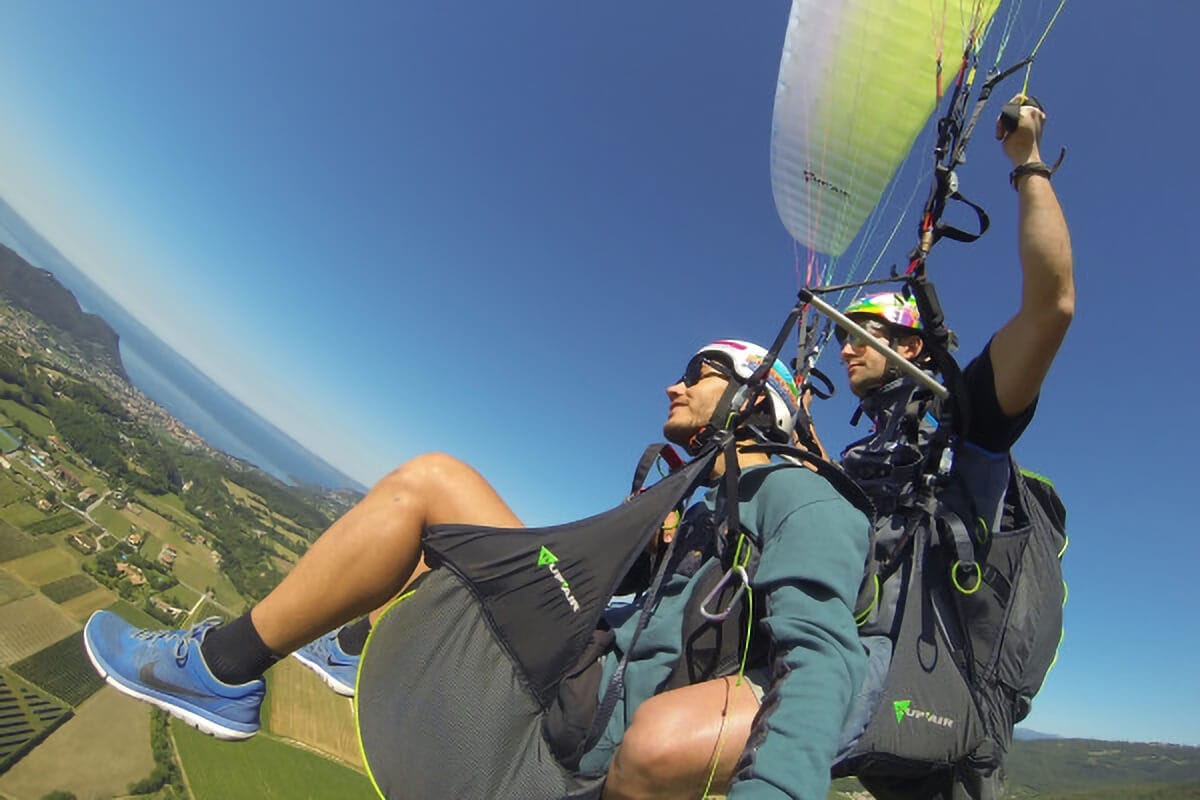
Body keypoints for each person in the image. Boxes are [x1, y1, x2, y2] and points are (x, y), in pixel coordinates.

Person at [83, 338, 870, 800]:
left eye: (698, 371)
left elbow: (823, 658)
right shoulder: (710, 504)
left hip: (589, 711)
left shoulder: (804, 499)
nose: (674, 381)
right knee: (448, 509)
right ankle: (352, 648)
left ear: (756, 399)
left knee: (432, 485)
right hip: (584, 667)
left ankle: (222, 670)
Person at [607, 97, 1073, 800]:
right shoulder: (858, 460)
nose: (848, 345)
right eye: (846, 333)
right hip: (830, 643)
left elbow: (1052, 305)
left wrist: (1027, 162)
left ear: (912, 347)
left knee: (660, 750)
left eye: (866, 334)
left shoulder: (965, 427)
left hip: (911, 670)